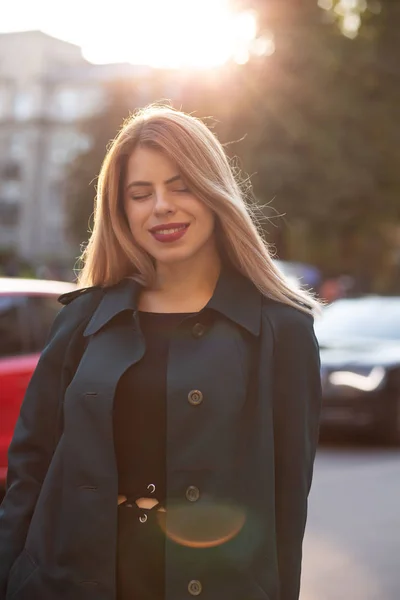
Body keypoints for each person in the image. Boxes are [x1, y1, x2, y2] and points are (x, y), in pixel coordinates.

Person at [0, 105, 322, 600]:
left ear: (213, 192)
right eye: (140, 193)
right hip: (65, 582)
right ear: (121, 210)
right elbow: (30, 469)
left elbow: (287, 502)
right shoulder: (82, 320)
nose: (161, 207)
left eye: (181, 185)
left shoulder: (281, 330)